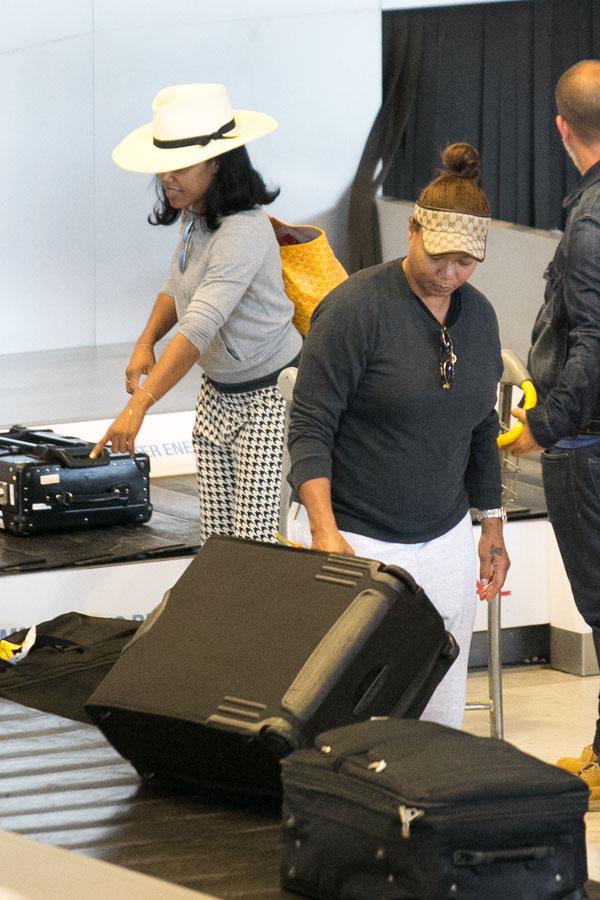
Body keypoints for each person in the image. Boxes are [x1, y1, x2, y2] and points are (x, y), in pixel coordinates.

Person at [286, 143, 510, 729]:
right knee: (348, 713)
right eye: (439, 257)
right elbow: (310, 425)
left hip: (444, 540)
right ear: (411, 231)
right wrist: (324, 532)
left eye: (465, 263)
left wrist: (491, 525)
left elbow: (482, 427)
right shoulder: (353, 310)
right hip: (358, 537)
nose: (449, 274)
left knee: (437, 707)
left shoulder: (479, 318)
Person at [91, 83, 302, 543]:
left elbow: (201, 323)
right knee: (217, 543)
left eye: (180, 165)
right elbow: (177, 285)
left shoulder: (243, 231)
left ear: (217, 162)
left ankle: (255, 618)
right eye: (163, 164)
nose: (167, 177)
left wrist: (139, 404)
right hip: (219, 390)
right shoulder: (195, 217)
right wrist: (145, 342)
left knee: (255, 548)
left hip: (270, 397)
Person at [511, 60, 600, 794]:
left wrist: (543, 425)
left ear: (562, 130)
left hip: (588, 446)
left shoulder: (590, 225)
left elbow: (591, 347)